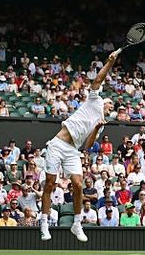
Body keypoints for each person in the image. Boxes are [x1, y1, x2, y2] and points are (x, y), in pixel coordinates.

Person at [40, 49, 120, 242]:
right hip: (58, 144)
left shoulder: (101, 123)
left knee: (78, 184)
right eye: (109, 102)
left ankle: (77, 224)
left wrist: (96, 129)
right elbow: (98, 81)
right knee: (50, 183)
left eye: (111, 105)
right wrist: (109, 63)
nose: (110, 104)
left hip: (73, 151)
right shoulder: (95, 99)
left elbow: (88, 146)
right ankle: (43, 222)